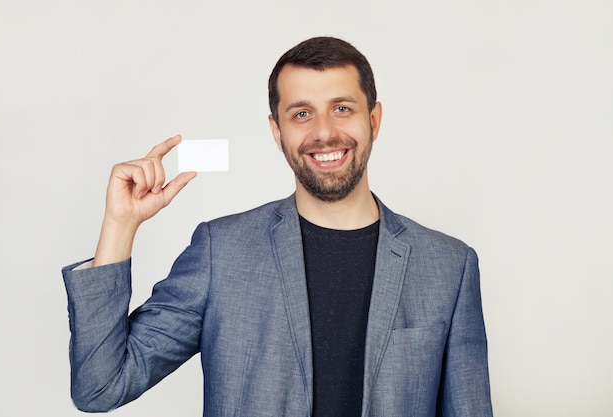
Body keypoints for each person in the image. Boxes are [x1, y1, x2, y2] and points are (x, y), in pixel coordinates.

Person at [62, 36, 493, 416]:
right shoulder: (221, 251)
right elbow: (100, 387)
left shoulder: (448, 265)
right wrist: (120, 226)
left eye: (342, 108)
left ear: (374, 120)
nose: (324, 132)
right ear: (276, 130)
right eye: (301, 114)